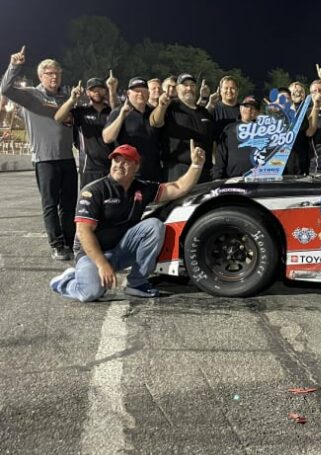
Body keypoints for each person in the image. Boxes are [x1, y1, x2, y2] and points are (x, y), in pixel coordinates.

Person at [49, 142, 206, 301]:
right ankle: (66, 281)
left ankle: (136, 283)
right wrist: (102, 264)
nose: (119, 165)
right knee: (90, 293)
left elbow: (178, 187)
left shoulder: (142, 188)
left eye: (126, 161)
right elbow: (84, 232)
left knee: (154, 226)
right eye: (116, 160)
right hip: (92, 254)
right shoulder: (94, 190)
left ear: (136, 166)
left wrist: (196, 165)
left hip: (120, 250)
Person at [0, 46, 78, 260]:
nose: (54, 76)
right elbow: (5, 88)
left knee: (69, 204)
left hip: (67, 159)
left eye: (57, 73)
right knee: (50, 204)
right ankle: (57, 244)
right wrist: (14, 65)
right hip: (44, 160)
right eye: (49, 73)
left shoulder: (65, 97)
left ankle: (71, 242)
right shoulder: (30, 95)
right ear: (40, 76)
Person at [150, 73, 214, 182]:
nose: (189, 88)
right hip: (177, 171)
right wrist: (161, 106)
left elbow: (212, 142)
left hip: (204, 172)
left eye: (192, 85)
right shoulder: (170, 106)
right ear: (178, 89)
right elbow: (155, 122)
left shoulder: (205, 113)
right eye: (185, 85)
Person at [54, 77, 114, 187]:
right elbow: (58, 118)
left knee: (112, 203)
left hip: (112, 167)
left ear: (105, 90)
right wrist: (72, 100)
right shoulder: (81, 112)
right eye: (92, 89)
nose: (96, 92)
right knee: (89, 202)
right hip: (89, 168)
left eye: (100, 88)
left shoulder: (112, 112)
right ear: (87, 92)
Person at [103, 77, 163, 182]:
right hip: (129, 175)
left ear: (148, 93)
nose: (140, 94)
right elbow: (107, 138)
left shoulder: (154, 113)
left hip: (154, 174)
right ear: (128, 94)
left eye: (144, 91)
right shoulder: (119, 112)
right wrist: (122, 116)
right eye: (137, 91)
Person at [212, 96, 262, 179]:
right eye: (246, 106)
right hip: (234, 181)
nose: (249, 110)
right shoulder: (229, 129)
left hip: (260, 179)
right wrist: (217, 178)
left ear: (259, 112)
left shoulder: (266, 130)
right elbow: (221, 157)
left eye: (253, 108)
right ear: (240, 108)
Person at [207, 75, 240, 142]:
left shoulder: (245, 110)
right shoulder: (213, 108)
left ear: (237, 91)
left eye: (232, 88)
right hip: (220, 151)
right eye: (226, 88)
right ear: (220, 91)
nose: (229, 91)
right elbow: (201, 123)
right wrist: (209, 105)